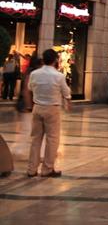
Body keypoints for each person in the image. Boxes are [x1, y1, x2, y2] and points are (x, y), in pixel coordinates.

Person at [26, 49, 71, 177]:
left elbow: (30, 88)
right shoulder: (59, 76)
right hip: (52, 109)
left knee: (35, 139)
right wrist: (68, 101)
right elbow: (66, 92)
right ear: (56, 60)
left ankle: (31, 169)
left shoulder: (35, 74)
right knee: (52, 139)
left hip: (37, 107)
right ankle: (47, 168)